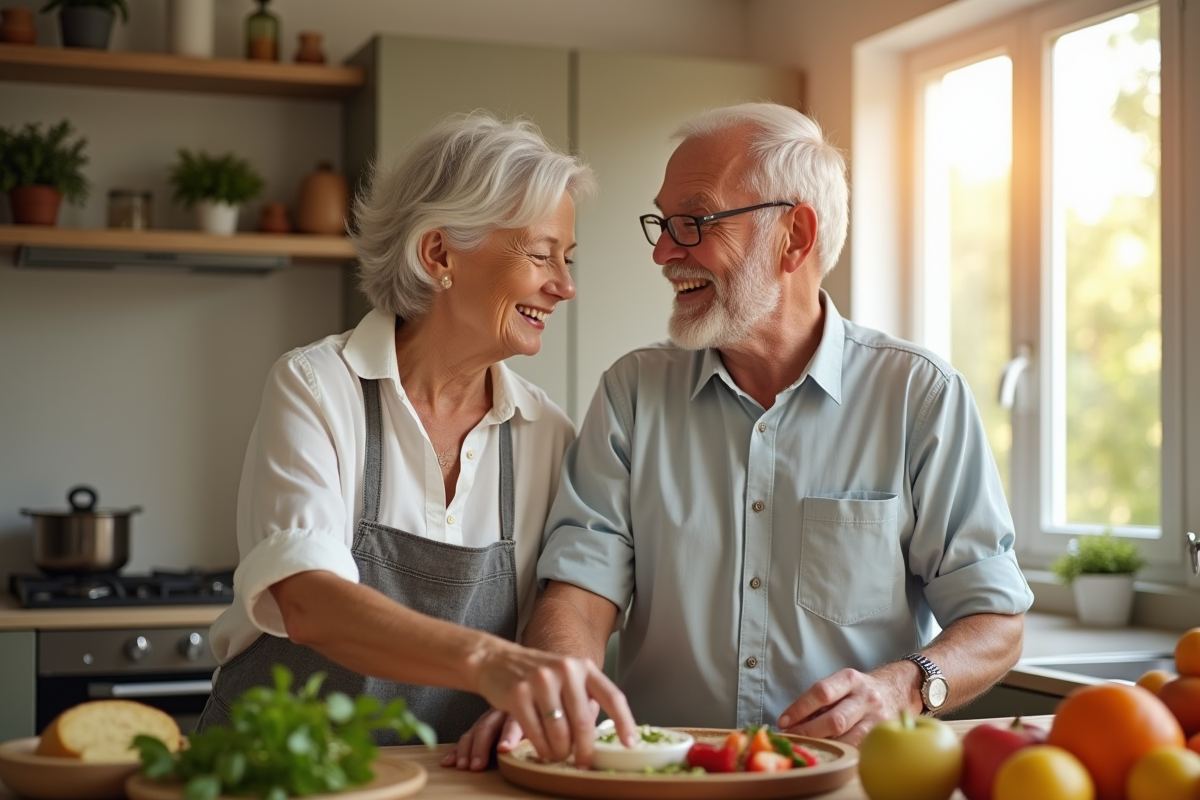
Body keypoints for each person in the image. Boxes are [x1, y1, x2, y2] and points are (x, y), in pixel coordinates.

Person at [451, 102, 1034, 764]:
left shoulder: (920, 397)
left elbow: (995, 620)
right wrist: (555, 694)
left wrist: (906, 686)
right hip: (669, 778)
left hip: (844, 786)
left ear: (795, 235)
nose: (664, 251)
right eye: (663, 223)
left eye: (693, 222)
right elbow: (580, 600)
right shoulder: (633, 393)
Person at [200, 112, 637, 768]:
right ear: (439, 255)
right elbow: (308, 599)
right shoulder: (320, 387)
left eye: (567, 259)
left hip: (447, 784)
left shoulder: (547, 434)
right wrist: (490, 662)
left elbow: (565, 615)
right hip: (276, 776)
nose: (565, 286)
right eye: (542, 253)